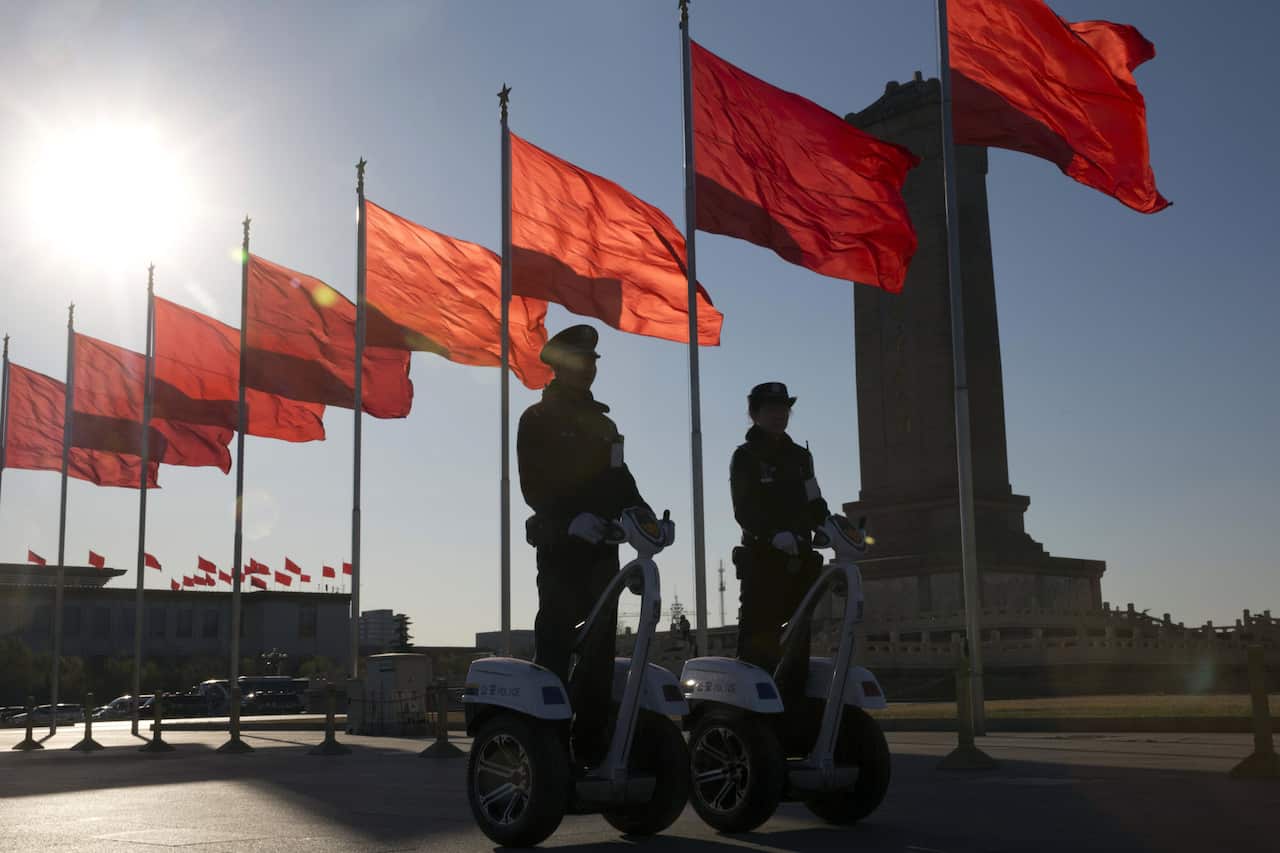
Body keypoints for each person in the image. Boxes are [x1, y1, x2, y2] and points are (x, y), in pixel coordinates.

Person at [517, 324, 651, 766]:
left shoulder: (604, 424)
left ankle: (591, 749)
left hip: (601, 553)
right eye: (581, 361)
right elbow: (534, 486)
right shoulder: (537, 419)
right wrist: (571, 518)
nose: (590, 369)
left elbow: (621, 480)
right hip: (562, 548)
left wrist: (644, 515)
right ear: (558, 367)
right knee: (556, 643)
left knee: (597, 652)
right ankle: (547, 748)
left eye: (593, 362)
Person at [730, 381, 830, 705]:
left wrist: (830, 524)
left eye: (784, 409)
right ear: (755, 414)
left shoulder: (801, 457)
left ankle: (793, 711)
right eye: (771, 409)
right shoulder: (745, 457)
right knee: (759, 640)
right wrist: (772, 534)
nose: (779, 415)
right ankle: (751, 713)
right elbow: (743, 509)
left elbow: (814, 500)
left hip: (800, 561)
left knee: (798, 640)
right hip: (764, 561)